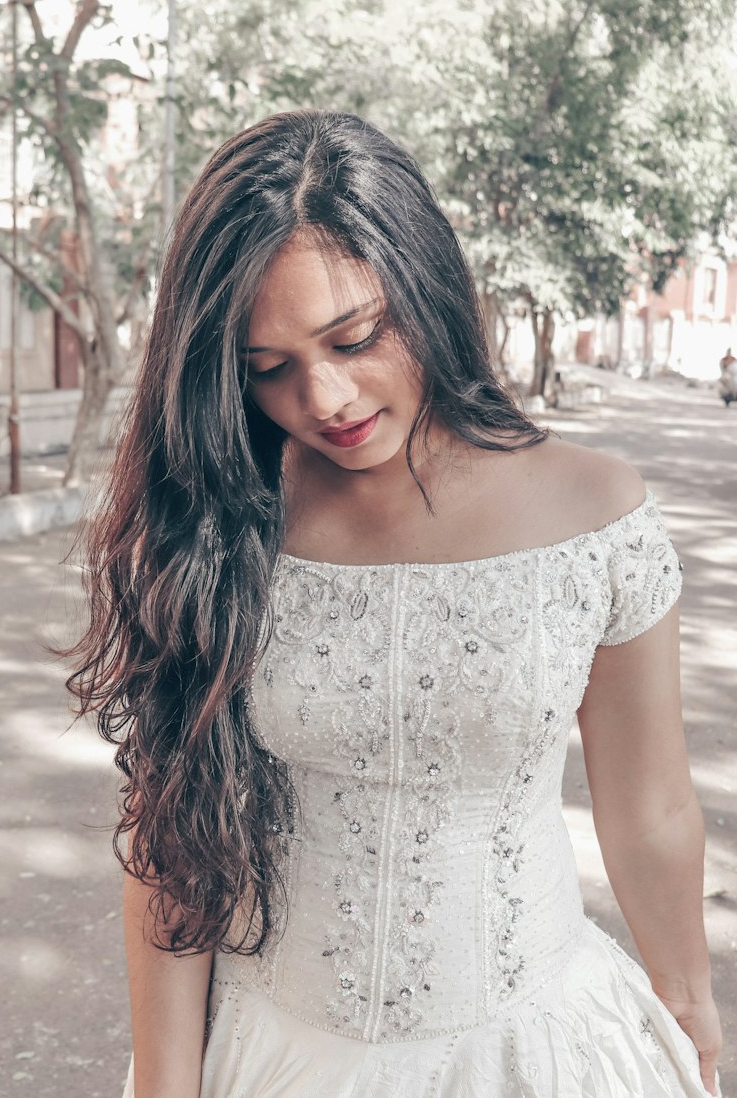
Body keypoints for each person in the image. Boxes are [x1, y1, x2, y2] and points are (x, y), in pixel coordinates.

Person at [64, 109, 723, 1098]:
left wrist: (687, 1003)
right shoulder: (216, 521)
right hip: (274, 1050)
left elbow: (651, 803)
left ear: (425, 284)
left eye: (355, 335)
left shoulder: (597, 512)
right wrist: (165, 1081)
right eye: (268, 369)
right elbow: (169, 837)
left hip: (535, 1048)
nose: (324, 397)